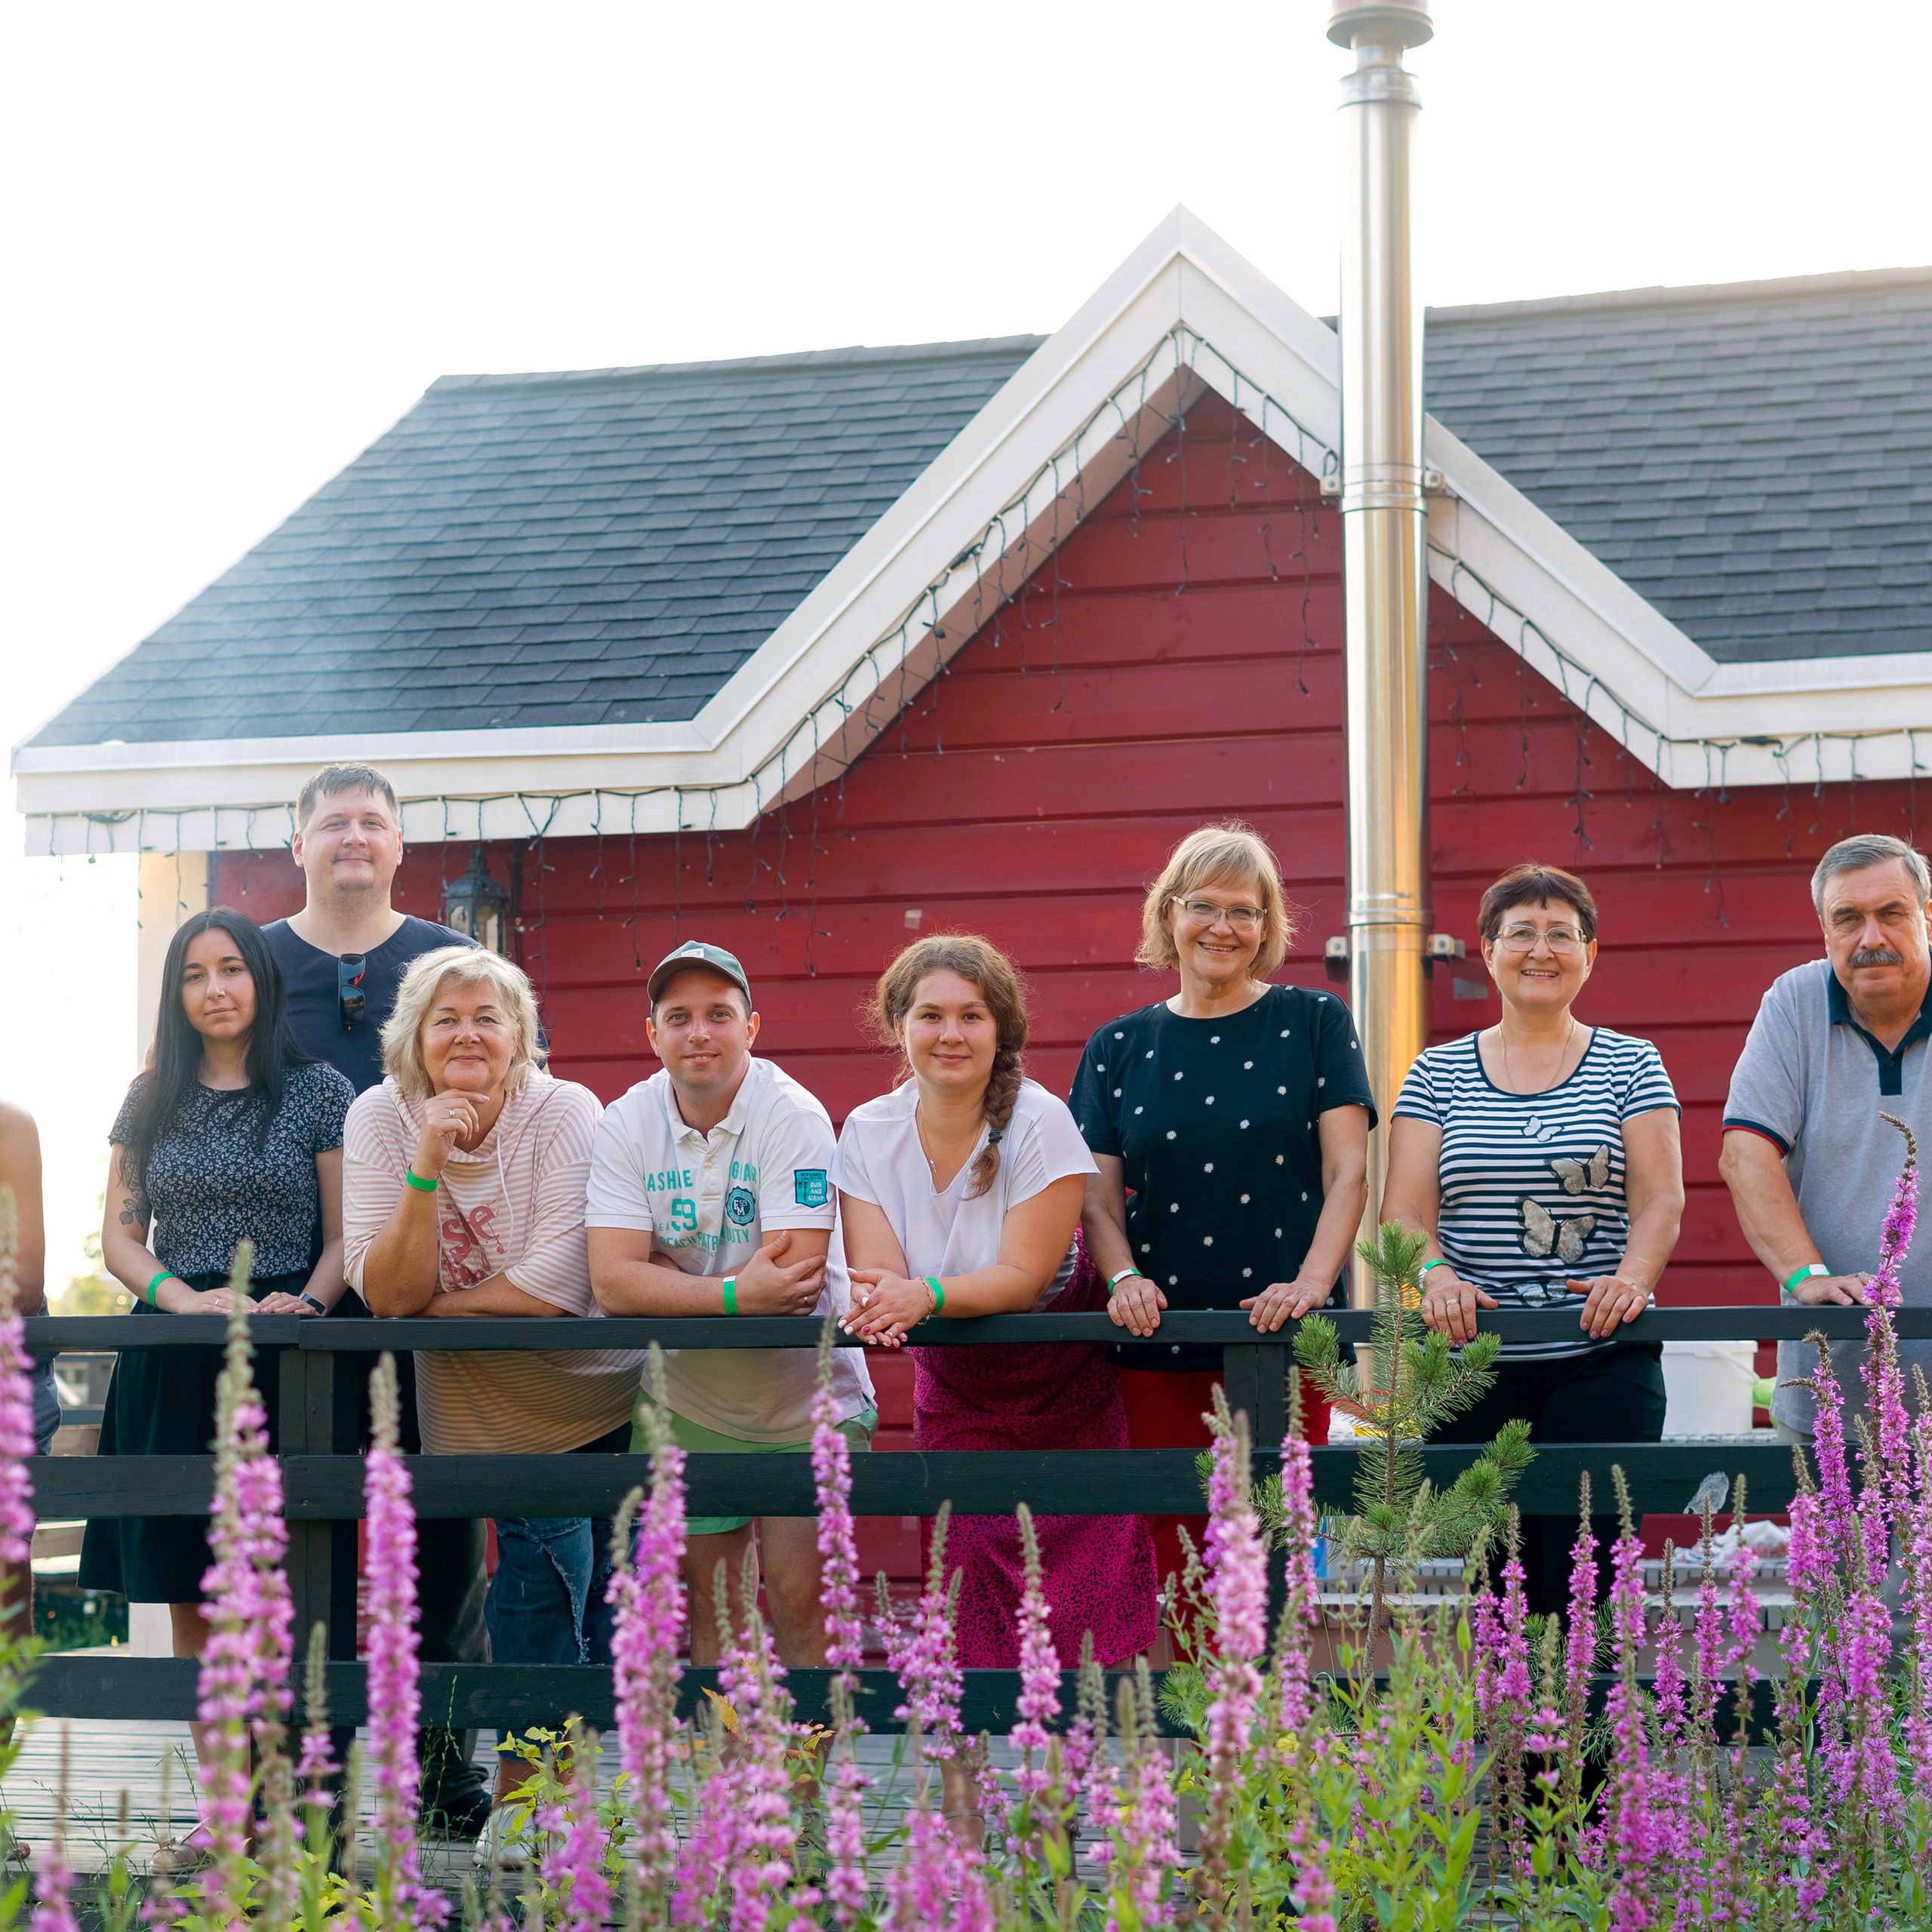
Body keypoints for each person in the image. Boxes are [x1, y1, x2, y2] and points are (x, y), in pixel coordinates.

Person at [837, 934, 1156, 1835]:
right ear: (897, 1027)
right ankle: (963, 1813)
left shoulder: (1042, 1120)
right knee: (962, 1588)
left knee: (1078, 1595)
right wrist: (902, 1299)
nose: (950, 1032)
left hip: (1064, 1382)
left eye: (970, 1015)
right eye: (930, 1014)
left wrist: (920, 1295)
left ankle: (1061, 1809)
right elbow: (874, 1273)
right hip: (958, 1389)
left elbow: (1020, 1275)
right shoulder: (865, 1131)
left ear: (1000, 1028)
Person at [341, 945, 641, 1853]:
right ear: (413, 1037)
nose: (468, 1032)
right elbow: (381, 1290)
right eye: (447, 1017)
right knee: (485, 1598)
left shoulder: (565, 1111)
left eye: (488, 1015)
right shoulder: (380, 1118)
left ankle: (545, 1808)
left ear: (521, 1036)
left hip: (587, 1391)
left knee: (573, 1600)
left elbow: (558, 1283)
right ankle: (488, 1803)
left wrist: (429, 1306)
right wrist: (428, 1159)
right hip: (461, 1403)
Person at [260, 761, 491, 1837]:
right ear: (296, 842)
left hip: (424, 1288)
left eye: (373, 822)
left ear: (402, 847)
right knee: (309, 1530)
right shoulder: (254, 965)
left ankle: (445, 1769)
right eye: (333, 821)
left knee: (439, 1528)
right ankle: (316, 1763)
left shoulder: (450, 963)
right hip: (293, 1305)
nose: (354, 837)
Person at [80, 910, 353, 1784]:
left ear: (262, 979)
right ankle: (226, 1809)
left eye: (231, 969)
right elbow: (121, 1238)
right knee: (193, 1588)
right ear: (177, 994)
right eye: (195, 975)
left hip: (293, 1355)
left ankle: (296, 1802)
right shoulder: (148, 1094)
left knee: (284, 1588)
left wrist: (305, 1299)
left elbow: (352, 1234)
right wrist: (181, 1297)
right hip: (176, 1355)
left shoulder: (320, 1091)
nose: (215, 989)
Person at [1071, 823, 1373, 1605]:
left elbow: (1348, 1172)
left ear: (1268, 928)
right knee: (1175, 1561)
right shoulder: (1116, 1046)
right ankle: (1187, 1731)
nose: (1222, 926)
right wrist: (1123, 1275)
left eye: (1245, 911)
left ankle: (1271, 1727)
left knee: (1272, 1556)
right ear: (1167, 914)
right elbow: (1097, 1199)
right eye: (1203, 906)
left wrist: (1310, 1284)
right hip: (1156, 1339)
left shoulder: (1314, 1021)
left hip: (1284, 1334)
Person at [1381, 862, 1684, 1615]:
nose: (1540, 950)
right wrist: (1436, 1277)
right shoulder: (1436, 1073)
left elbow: (1660, 1198)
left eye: (1560, 933)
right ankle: (1508, 1734)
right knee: (1495, 1581)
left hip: (1601, 1354)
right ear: (1487, 949)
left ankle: (1592, 1735)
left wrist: (1633, 1277)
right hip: (1473, 1363)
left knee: (1589, 1573)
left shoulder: (1630, 1062)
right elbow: (1402, 1213)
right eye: (1520, 932)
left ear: (1589, 952)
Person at [586, 940, 875, 1664]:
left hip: (807, 1403)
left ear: (752, 1026)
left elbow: (796, 1279)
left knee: (802, 1599)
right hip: (688, 1402)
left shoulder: (792, 1115)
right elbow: (612, 1282)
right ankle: (735, 1779)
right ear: (653, 1034)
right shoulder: (627, 1122)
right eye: (678, 1017)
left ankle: (804, 1785)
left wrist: (666, 1278)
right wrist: (728, 1291)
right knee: (718, 1618)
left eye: (719, 1014)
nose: (699, 1032)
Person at [1720, 832, 1932, 1441]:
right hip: (1832, 1394)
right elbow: (1745, 1153)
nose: (1871, 938)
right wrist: (1804, 1275)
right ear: (1823, 929)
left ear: (1925, 916)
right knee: (1835, 1540)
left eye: (1892, 914)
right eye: (1848, 919)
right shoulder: (1794, 1002)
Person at [0, 1100, 63, 1641]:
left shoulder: (9, 1126)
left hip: (7, 1381)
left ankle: (3, 1723)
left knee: (4, 1568)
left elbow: (22, 1286)